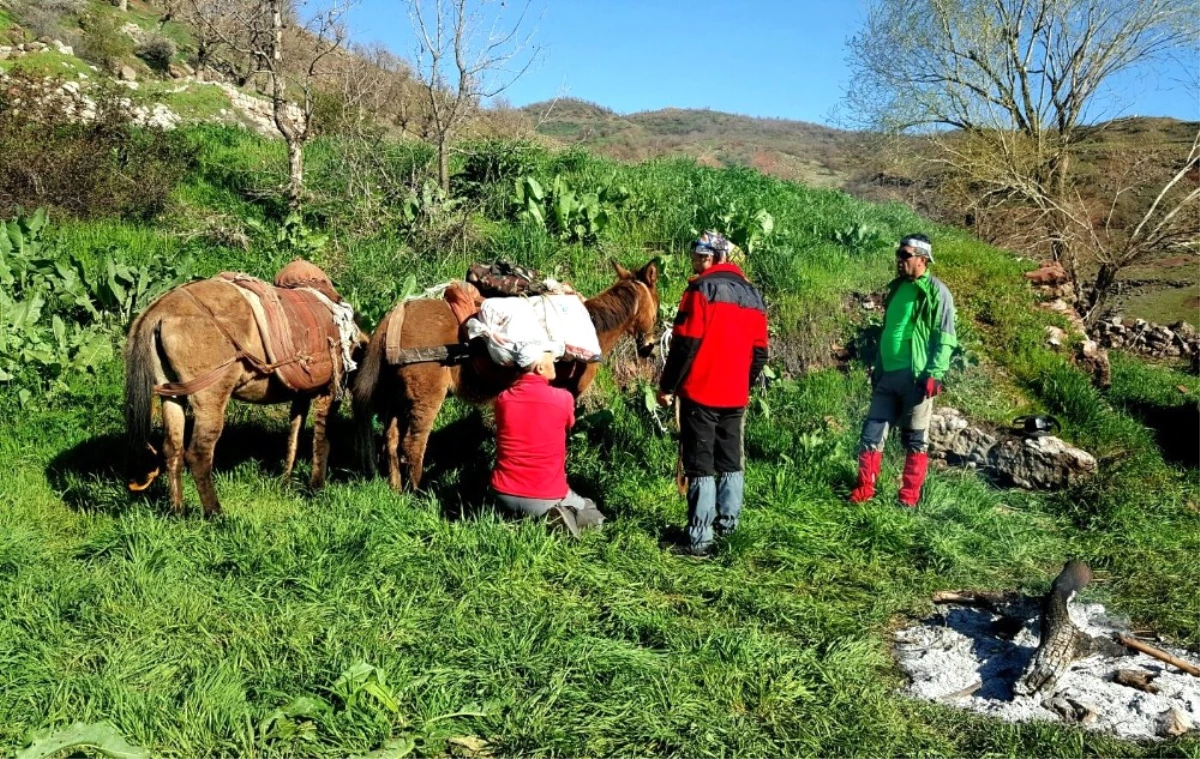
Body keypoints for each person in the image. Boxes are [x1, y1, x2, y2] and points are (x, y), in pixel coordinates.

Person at [657, 231, 769, 556]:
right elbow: (760, 353)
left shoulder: (700, 289)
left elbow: (685, 344)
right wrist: (741, 382)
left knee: (700, 464)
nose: (695, 263)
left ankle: (699, 540)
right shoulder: (753, 294)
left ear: (714, 257)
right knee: (730, 460)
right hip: (735, 395)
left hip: (701, 391)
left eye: (699, 257)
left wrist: (667, 386)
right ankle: (728, 530)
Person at [849, 233, 957, 508]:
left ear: (923, 259)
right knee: (871, 433)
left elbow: (946, 336)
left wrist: (935, 372)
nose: (899, 260)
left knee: (915, 440)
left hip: (918, 377)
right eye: (898, 254)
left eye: (905, 255)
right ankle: (864, 491)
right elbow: (890, 330)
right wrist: (879, 366)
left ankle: (908, 499)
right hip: (888, 375)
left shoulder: (937, 291)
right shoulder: (897, 287)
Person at [491, 351, 605, 536]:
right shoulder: (563, 398)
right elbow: (570, 423)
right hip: (546, 494)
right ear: (540, 367)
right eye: (552, 360)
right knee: (593, 513)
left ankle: (517, 519)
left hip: (502, 493)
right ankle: (557, 514)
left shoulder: (503, 398)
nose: (555, 364)